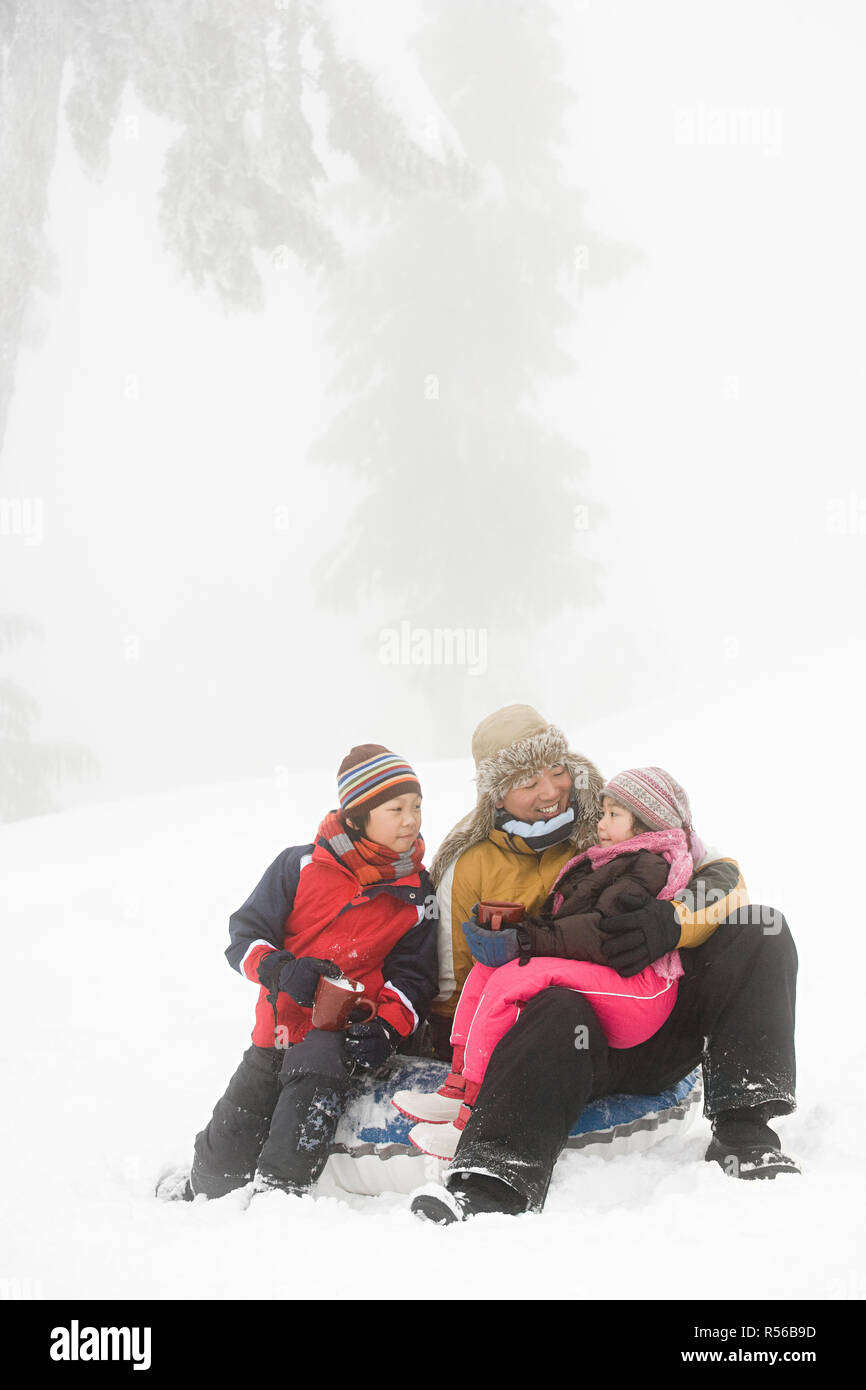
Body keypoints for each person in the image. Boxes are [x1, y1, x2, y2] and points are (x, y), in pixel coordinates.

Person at [408, 706, 799, 1224]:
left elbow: (720, 872)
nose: (551, 790)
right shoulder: (470, 863)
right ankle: (492, 1180)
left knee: (759, 928)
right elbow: (450, 991)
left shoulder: (611, 818)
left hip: (651, 1021)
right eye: (528, 780)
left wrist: (672, 923)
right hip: (559, 1050)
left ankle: (746, 1133)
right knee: (555, 1002)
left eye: (558, 770)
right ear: (496, 793)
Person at [158, 744, 438, 1201]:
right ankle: (201, 1187)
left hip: (342, 1037)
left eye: (417, 807)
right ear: (357, 816)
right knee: (220, 1163)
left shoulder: (416, 890)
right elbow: (245, 935)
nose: (411, 820)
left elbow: (414, 977)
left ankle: (279, 1195)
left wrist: (386, 1028)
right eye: (396, 809)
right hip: (276, 1031)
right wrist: (281, 970)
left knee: (314, 1077)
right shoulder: (299, 865)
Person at [405, 767, 697, 1159]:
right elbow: (568, 925)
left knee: (514, 980)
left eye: (614, 815)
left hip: (640, 990)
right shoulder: (602, 861)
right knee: (488, 968)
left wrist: (527, 939)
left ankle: (474, 1115)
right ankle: (458, 1084)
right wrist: (511, 932)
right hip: (609, 974)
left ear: (646, 825)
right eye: (603, 812)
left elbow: (603, 932)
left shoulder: (650, 864)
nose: (601, 822)